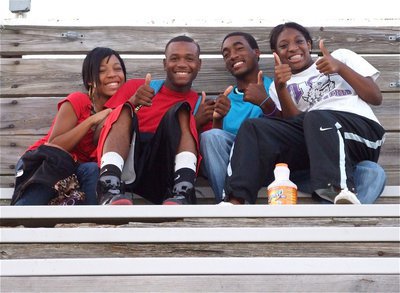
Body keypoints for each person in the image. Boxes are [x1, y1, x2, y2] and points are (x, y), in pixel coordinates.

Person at [223, 22, 386, 205]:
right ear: (275, 53)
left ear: (309, 44)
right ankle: (236, 199)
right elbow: (296, 124)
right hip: (319, 142)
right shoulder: (278, 86)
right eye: (283, 46)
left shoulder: (340, 56)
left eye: (299, 41)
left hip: (361, 135)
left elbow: (375, 97)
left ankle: (338, 190)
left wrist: (340, 67)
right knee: (252, 126)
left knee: (316, 116)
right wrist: (282, 87)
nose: (292, 48)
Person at [11, 47, 126, 205]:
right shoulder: (79, 101)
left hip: (76, 173)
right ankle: (19, 217)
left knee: (93, 169)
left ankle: (96, 223)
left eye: (117, 69)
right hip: (45, 165)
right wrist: (91, 121)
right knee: (58, 166)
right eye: (102, 70)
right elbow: (54, 145)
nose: (112, 74)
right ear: (90, 80)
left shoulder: (120, 116)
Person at [96, 35, 202, 205]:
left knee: (182, 110)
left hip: (165, 172)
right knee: (124, 108)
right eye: (174, 58)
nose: (181, 64)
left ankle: (184, 190)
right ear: (165, 63)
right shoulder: (136, 88)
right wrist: (132, 102)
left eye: (189, 58)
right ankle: (108, 187)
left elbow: (196, 149)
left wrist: (198, 121)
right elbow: (99, 133)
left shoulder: (199, 103)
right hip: (128, 164)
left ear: (199, 64)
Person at [197, 32, 275, 203]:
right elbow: (218, 151)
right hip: (234, 171)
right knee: (210, 136)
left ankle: (233, 203)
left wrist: (265, 102)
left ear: (256, 52)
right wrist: (217, 119)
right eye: (226, 55)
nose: (232, 56)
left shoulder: (275, 88)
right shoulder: (226, 99)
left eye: (239, 49)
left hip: (270, 164)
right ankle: (225, 202)